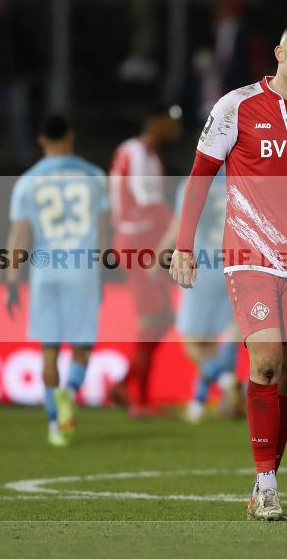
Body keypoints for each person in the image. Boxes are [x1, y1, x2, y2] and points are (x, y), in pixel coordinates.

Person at [170, 23, 287, 520]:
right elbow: (200, 175)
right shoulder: (236, 105)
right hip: (249, 253)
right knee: (267, 360)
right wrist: (184, 246)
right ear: (279, 52)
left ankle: (266, 477)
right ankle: (267, 481)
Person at [5, 115, 109, 447]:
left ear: (41, 140)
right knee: (82, 346)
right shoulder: (95, 176)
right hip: (82, 268)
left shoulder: (28, 181)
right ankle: (70, 391)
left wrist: (11, 281)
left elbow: (19, 235)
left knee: (48, 349)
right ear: (71, 137)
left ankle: (54, 424)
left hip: (45, 271)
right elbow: (105, 230)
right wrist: (104, 269)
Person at [106, 104, 182, 415]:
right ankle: (139, 399)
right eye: (171, 121)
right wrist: (182, 221)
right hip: (138, 241)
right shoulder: (137, 152)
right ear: (156, 120)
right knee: (153, 319)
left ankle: (125, 386)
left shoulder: (147, 154)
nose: (176, 128)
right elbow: (148, 204)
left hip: (143, 240)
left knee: (162, 317)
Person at [158, 167, 241, 424]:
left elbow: (179, 225)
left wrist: (160, 252)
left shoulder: (194, 183)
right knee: (220, 343)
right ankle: (197, 405)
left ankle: (226, 381)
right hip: (236, 267)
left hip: (203, 268)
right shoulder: (245, 181)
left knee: (194, 343)